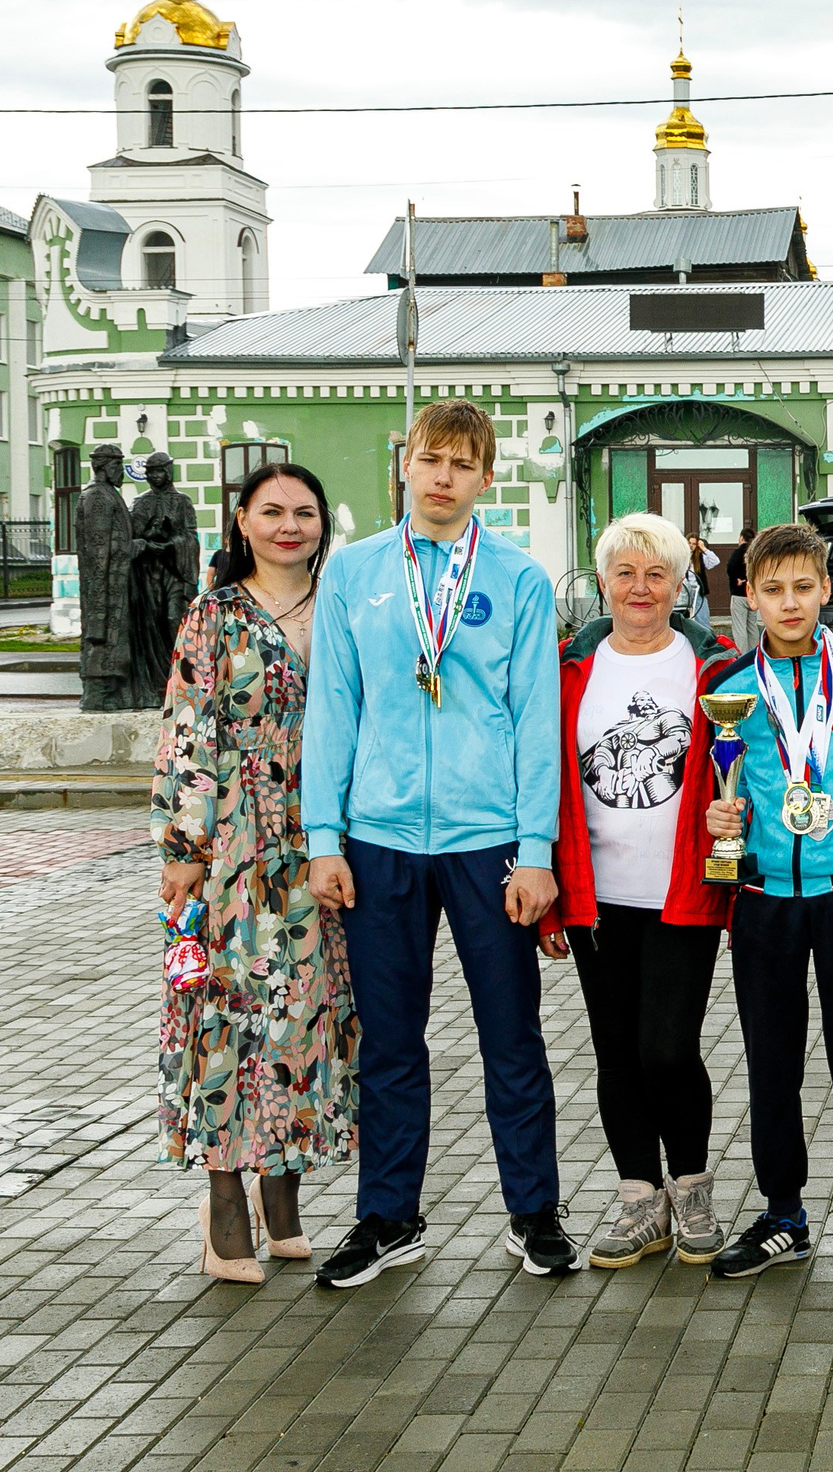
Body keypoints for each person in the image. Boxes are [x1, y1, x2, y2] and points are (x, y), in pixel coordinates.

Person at [302, 399, 577, 1287]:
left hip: (489, 838)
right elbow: (333, 709)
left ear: (486, 476)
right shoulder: (354, 573)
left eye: (463, 462)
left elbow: (537, 721)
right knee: (389, 1040)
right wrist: (324, 835)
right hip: (379, 839)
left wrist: (536, 848)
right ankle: (388, 1217)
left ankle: (534, 1212)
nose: (444, 476)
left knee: (513, 1035)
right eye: (430, 458)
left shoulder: (521, 579)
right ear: (406, 465)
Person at [700, 522, 833, 1280]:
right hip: (764, 897)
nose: (789, 602)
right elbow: (717, 797)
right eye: (772, 589)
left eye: (803, 586)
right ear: (750, 596)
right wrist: (719, 822)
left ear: (828, 590)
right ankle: (784, 1212)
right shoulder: (728, 689)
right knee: (771, 1059)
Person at [154, 463, 355, 1283]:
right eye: (271, 511)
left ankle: (285, 1194)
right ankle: (225, 1206)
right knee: (225, 1018)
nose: (289, 525)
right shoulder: (213, 615)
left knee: (304, 1015)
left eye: (304, 511)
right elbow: (185, 734)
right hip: (235, 842)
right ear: (240, 521)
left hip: (324, 840)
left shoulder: (341, 606)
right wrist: (182, 851)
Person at [543, 514, 739, 1269]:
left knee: (667, 1046)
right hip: (598, 892)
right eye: (624, 573)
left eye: (656, 573)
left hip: (683, 889)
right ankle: (637, 1196)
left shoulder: (715, 665)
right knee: (616, 1049)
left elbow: (744, 764)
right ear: (602, 583)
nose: (640, 588)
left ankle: (690, 1184)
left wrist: (736, 811)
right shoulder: (569, 666)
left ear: (679, 583)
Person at [725, 526, 759, 651]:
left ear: (741, 538)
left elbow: (730, 567)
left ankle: (742, 656)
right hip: (753, 594)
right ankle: (754, 653)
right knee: (752, 626)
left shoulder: (738, 552)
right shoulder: (755, 553)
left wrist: (737, 579)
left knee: (740, 627)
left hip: (739, 595)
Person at [681, 531, 723, 630]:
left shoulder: (700, 557)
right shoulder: (681, 557)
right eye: (689, 543)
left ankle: (706, 636)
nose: (691, 546)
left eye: (694, 544)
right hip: (684, 591)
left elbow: (715, 561)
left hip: (698, 590)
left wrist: (703, 548)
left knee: (701, 617)